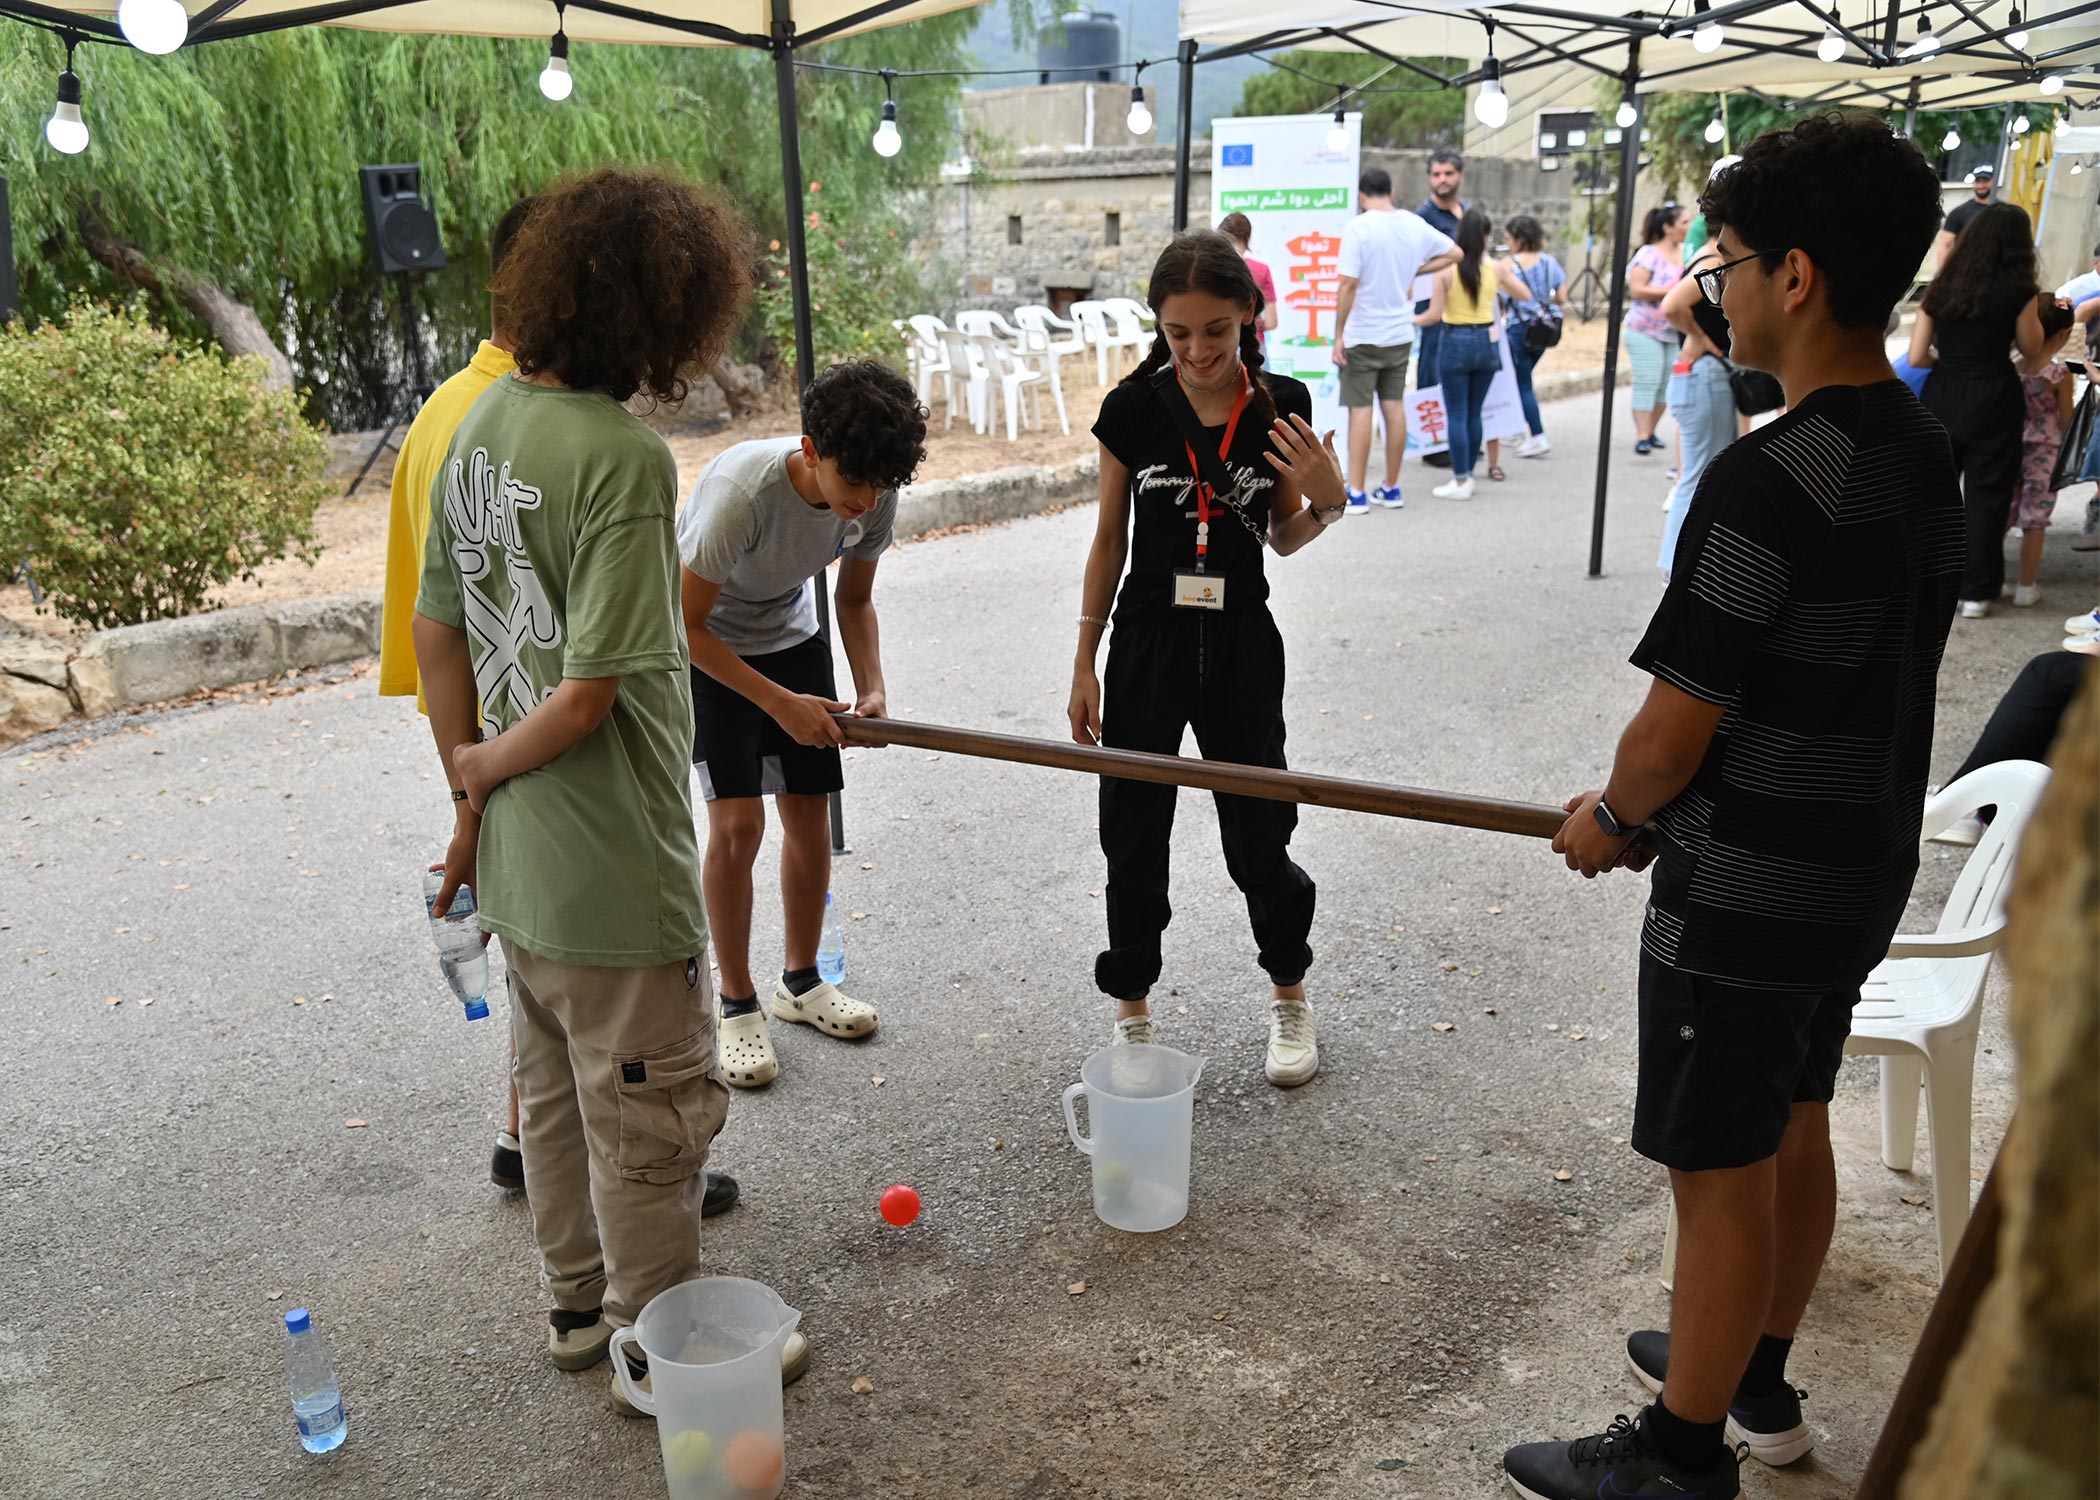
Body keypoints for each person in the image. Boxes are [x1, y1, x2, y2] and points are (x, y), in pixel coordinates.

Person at [1504, 111, 1960, 1500]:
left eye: (1735, 259)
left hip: (1749, 886)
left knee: (1716, 1167)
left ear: (1800, 277)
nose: (1719, 284)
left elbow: (1674, 726)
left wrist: (1613, 813)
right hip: (1858, 868)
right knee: (1795, 1116)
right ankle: (1750, 1368)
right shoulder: (1915, 446)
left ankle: (1682, 1454)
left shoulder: (1767, 478)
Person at [411, 168, 804, 1411]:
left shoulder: (472, 426)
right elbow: (589, 695)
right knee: (648, 1127)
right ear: (658, 310)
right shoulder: (623, 458)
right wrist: (483, 767)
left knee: (558, 1109)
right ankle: (663, 1349)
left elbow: (436, 637)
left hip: (521, 874)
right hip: (613, 872)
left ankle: (578, 1317)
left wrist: (470, 804)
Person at [1068, 230, 1351, 1088]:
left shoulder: (1281, 406)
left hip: (1241, 645)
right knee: (1133, 831)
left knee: (1260, 828)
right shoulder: (1130, 408)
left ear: (1248, 318)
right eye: (1179, 331)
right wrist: (1084, 658)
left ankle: (1290, 994)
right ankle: (1133, 1013)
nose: (1196, 351)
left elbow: (1284, 535)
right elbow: (1109, 537)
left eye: (1215, 332)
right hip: (1146, 641)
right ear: (1159, 323)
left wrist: (1332, 504)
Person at [677, 360, 925, 1088]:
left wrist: (872, 688)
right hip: (712, 646)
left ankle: (801, 983)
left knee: (811, 815)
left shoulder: (872, 490)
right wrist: (778, 703)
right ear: (811, 451)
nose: (865, 504)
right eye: (854, 487)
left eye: (879, 491)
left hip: (793, 632)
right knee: (737, 827)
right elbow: (683, 624)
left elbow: (852, 601)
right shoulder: (741, 493)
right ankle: (736, 1003)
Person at [378, 195, 536, 1195]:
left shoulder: (438, 412)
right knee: (560, 955)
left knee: (530, 945)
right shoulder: (514, 420)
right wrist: (478, 785)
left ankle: (523, 1137)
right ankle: (553, 1149)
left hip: (473, 729)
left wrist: (459, 776)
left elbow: (422, 632)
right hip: (524, 727)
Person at [1910, 200, 2045, 617]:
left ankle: (1922, 583)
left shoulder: (1940, 288)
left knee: (1933, 494)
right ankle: (1975, 593)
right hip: (1994, 395)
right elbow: (2032, 349)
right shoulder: (2020, 292)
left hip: (1943, 393)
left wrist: (1947, 363)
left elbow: (1916, 357)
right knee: (1988, 497)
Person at [1333, 169, 1459, 512]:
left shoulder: (1358, 228)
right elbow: (1455, 253)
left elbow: (1347, 285)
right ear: (1393, 189)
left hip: (1363, 334)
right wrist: (1415, 269)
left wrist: (1338, 334)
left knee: (1361, 411)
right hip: (1400, 332)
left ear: (1362, 196)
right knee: (1393, 407)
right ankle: (1391, 487)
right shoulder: (1413, 224)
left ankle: (1356, 492)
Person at [1412, 208, 1531, 500]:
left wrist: (1409, 320)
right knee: (1475, 412)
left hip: (1454, 340)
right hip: (1486, 342)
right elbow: (1525, 295)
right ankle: (1468, 475)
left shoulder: (1446, 271)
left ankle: (1461, 478)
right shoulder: (1496, 268)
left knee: (1456, 413)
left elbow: (1433, 315)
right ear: (1487, 237)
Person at [1655, 236, 1738, 575]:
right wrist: (1700, 336)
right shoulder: (1711, 262)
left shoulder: (1707, 258)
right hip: (1705, 375)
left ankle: (1680, 567)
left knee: (1700, 476)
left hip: (1703, 377)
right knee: (1698, 478)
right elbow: (1672, 306)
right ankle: (1676, 569)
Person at [2007, 298, 2078, 607]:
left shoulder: (2015, 365)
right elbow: (2066, 419)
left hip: (2011, 446)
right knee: (2035, 518)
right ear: (2064, 334)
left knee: (2006, 510)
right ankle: (2026, 586)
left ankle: (1989, 578)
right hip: (2045, 451)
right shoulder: (2059, 374)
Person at [1625, 204, 1689, 455]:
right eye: (1684, 222)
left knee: (1666, 385)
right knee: (1647, 380)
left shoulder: (1686, 253)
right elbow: (1637, 289)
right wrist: (1674, 293)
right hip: (1644, 330)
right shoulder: (1648, 254)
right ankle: (1641, 435)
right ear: (1667, 227)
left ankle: (1651, 431)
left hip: (1673, 331)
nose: (1688, 227)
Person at [1504, 214, 1568, 459]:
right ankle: (1517, 428)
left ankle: (1537, 435)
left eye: (1509, 238)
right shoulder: (1550, 262)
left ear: (1519, 239)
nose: (1507, 242)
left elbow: (1502, 299)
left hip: (1518, 327)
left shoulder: (1509, 265)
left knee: (1521, 383)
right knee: (1524, 378)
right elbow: (1561, 297)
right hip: (1543, 329)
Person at [1215, 212, 1281, 339]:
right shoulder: (1261, 270)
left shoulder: (1211, 269)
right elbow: (1272, 322)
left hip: (1220, 343)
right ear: (1247, 236)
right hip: (1253, 343)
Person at [1934, 164, 1995, 268]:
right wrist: (1943, 275)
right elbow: (1944, 244)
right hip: (1966, 271)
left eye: (1985, 181)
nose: (1981, 185)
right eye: (1978, 181)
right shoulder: (1959, 212)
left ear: (1993, 181)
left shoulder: (2004, 212)